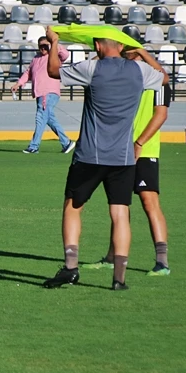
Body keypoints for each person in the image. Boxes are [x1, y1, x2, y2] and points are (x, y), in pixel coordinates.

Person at [41, 26, 167, 291]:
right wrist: (142, 52)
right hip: (123, 157)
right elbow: (164, 78)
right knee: (120, 213)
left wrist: (54, 42)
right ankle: (119, 278)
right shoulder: (140, 71)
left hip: (90, 154)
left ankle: (71, 267)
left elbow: (53, 71)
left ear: (97, 46)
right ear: (121, 47)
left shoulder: (92, 69)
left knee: (73, 206)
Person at [84, 75, 172, 276]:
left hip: (145, 150)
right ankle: (112, 257)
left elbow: (161, 115)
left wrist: (139, 142)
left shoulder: (159, 81)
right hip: (117, 149)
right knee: (118, 204)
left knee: (149, 201)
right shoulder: (121, 76)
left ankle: (162, 262)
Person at [11, 35, 75, 154]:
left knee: (40, 117)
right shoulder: (36, 58)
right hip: (40, 93)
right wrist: (18, 83)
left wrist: (54, 44)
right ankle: (66, 142)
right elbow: (28, 72)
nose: (43, 48)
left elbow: (65, 55)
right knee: (49, 118)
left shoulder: (54, 55)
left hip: (48, 91)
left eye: (46, 46)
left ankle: (34, 146)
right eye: (41, 46)